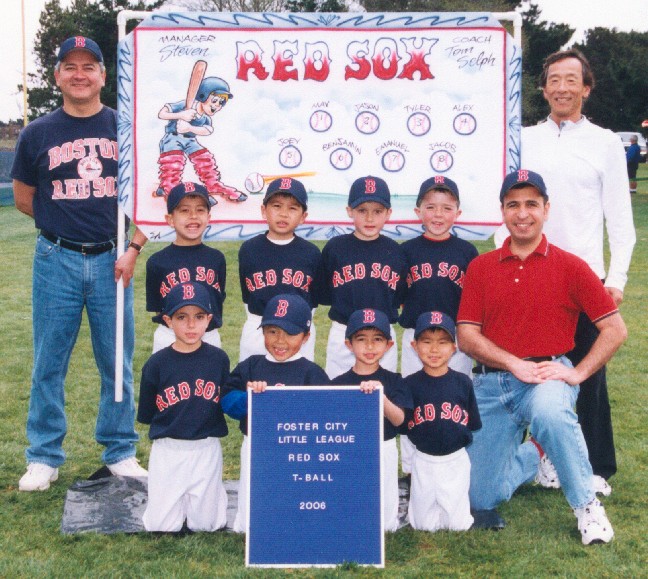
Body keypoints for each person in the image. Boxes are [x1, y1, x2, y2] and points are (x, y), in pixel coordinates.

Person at [458, 170, 627, 545]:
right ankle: (536, 455)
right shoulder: (481, 267)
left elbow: (615, 329)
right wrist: (512, 363)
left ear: (546, 209)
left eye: (531, 203)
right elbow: (467, 336)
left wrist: (578, 373)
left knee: (551, 411)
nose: (522, 213)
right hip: (491, 382)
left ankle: (587, 507)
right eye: (513, 204)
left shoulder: (571, 265)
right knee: (478, 498)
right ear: (502, 211)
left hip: (547, 374)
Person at [11, 36, 148, 491]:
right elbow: (24, 199)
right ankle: (44, 456)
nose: (80, 74)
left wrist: (132, 247)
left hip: (114, 258)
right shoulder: (37, 133)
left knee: (117, 360)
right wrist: (63, 224)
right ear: (57, 76)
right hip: (57, 257)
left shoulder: (125, 128)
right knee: (49, 360)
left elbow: (149, 198)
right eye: (70, 66)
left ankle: (120, 450)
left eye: (89, 66)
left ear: (104, 76)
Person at [507, 49, 636, 490]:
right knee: (531, 374)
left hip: (583, 278)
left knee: (586, 375)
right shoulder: (521, 138)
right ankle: (541, 459)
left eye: (571, 80)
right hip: (527, 272)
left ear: (586, 87)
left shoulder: (604, 143)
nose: (562, 88)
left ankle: (595, 467)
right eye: (553, 80)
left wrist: (614, 280)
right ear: (542, 89)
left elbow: (620, 221)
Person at [220, 293, 329, 533]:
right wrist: (249, 399)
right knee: (255, 500)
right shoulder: (251, 366)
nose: (280, 341)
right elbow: (227, 402)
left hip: (298, 449)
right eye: (272, 331)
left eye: (290, 333)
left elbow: (325, 416)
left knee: (295, 495)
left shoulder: (312, 373)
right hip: (257, 445)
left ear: (306, 336)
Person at [398, 175, 478, 479]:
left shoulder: (467, 252)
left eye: (447, 208)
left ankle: (454, 461)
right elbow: (399, 297)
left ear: (458, 212)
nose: (438, 215)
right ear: (418, 211)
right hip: (414, 338)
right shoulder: (406, 252)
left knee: (454, 397)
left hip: (454, 339)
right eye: (430, 207)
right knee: (412, 398)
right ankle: (410, 467)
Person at [138, 282, 230, 532]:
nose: (191, 325)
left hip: (206, 448)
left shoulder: (219, 359)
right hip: (169, 450)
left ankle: (211, 498)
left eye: (199, 317)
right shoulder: (156, 364)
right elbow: (147, 414)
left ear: (209, 319)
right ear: (167, 320)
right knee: (160, 526)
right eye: (182, 317)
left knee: (208, 525)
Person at [316, 175, 407, 378]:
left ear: (388, 213)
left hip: (382, 335)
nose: (369, 218)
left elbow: (398, 297)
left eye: (377, 211)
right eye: (362, 210)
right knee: (338, 395)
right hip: (343, 332)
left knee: (381, 398)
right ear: (349, 211)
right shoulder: (335, 248)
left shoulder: (396, 252)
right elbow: (326, 294)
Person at [331, 308, 412, 532]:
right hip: (348, 450)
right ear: (349, 344)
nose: (369, 347)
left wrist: (381, 397)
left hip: (383, 447)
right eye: (361, 339)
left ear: (388, 345)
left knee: (384, 520)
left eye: (377, 340)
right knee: (349, 506)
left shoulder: (394, 380)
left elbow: (400, 422)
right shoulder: (338, 383)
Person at [403, 311, 481, 532]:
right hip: (423, 459)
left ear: (454, 347)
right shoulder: (409, 384)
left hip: (454, 459)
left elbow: (472, 424)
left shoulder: (463, 382)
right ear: (414, 345)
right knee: (421, 525)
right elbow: (405, 426)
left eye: (443, 342)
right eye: (426, 342)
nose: (434, 350)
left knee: (457, 525)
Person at [238, 177, 321, 362]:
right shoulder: (249, 249)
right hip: (258, 328)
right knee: (254, 384)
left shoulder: (311, 253)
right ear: (263, 211)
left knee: (298, 384)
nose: (284, 214)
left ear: (303, 216)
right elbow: (248, 295)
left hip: (298, 329)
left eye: (292, 208)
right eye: (276, 206)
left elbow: (313, 300)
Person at [146, 181, 225, 352]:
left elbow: (218, 300)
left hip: (209, 336)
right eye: (184, 210)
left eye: (200, 210)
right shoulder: (157, 261)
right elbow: (157, 308)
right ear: (170, 219)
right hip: (169, 336)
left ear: (208, 217)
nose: (193, 216)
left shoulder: (217, 259)